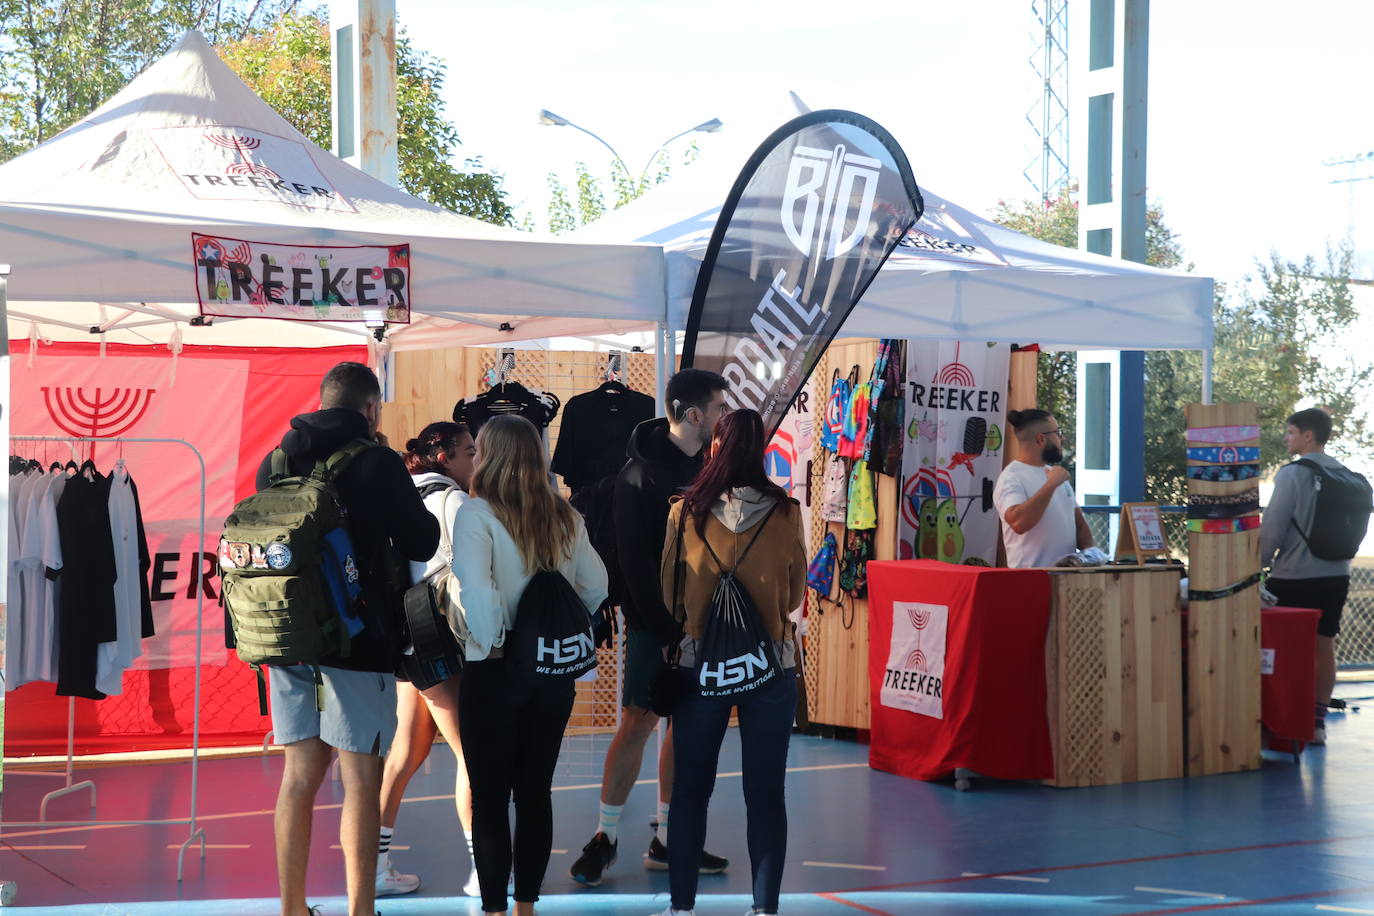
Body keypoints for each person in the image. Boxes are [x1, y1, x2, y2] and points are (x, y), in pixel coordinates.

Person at [258, 362, 439, 916]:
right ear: (369, 409)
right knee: (361, 776)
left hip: (288, 635)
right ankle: (361, 909)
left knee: (299, 776)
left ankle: (293, 907)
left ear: (320, 401)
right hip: (359, 637)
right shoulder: (377, 460)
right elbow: (422, 538)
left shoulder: (277, 459)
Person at [569, 368, 732, 887]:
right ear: (692, 415)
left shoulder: (712, 469)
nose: (724, 418)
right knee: (638, 721)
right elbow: (636, 566)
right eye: (719, 409)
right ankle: (606, 836)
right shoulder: (637, 478)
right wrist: (663, 630)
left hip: (702, 622)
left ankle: (670, 837)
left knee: (683, 727)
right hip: (653, 624)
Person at [451, 415, 608, 916]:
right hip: (550, 674)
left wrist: (495, 638)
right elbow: (597, 585)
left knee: (491, 798)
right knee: (536, 793)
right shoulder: (566, 516)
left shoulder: (477, 515)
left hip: (495, 668)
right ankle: (526, 908)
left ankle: (495, 909)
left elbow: (476, 591)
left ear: (490, 456)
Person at [658, 408, 806, 916]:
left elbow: (670, 596)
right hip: (771, 664)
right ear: (760, 451)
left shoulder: (686, 511)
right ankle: (765, 908)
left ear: (715, 449)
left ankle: (682, 907)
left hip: (701, 664)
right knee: (766, 793)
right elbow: (794, 595)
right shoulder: (786, 512)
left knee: (690, 789)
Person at [375, 421, 480, 897]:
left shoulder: (399, 495)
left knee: (405, 754)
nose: (475, 460)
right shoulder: (453, 500)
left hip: (407, 643)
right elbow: (471, 576)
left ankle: (375, 866)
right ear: (445, 457)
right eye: (469, 452)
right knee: (472, 756)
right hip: (441, 644)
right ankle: (484, 871)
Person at [1260, 408, 1357, 745]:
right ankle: (1316, 725)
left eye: (1290, 432)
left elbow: (1272, 528)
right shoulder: (1346, 474)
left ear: (1308, 436)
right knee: (1324, 646)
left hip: (1294, 577)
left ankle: (1283, 722)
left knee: (1281, 649)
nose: (1286, 438)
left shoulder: (1292, 475)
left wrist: (1253, 565)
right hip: (1337, 575)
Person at [993, 408, 1093, 568]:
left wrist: (1091, 557)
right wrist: (1051, 484)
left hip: (1068, 580)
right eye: (1058, 433)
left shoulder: (1056, 475)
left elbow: (1079, 526)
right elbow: (1019, 523)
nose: (1062, 438)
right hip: (1031, 580)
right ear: (1041, 439)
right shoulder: (1011, 477)